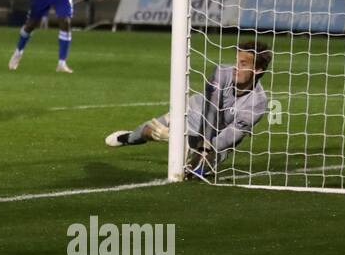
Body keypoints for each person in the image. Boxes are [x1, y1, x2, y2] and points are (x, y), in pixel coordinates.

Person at [105, 41, 272, 180]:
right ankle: (128, 137)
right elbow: (210, 110)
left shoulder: (257, 103)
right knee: (148, 130)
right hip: (194, 112)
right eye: (236, 61)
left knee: (192, 173)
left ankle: (185, 151)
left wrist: (192, 145)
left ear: (258, 70)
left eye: (243, 64)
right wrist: (183, 140)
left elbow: (228, 139)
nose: (236, 67)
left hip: (217, 139)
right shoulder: (221, 72)